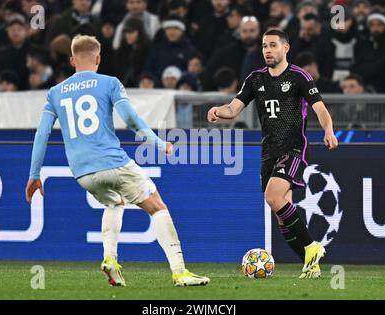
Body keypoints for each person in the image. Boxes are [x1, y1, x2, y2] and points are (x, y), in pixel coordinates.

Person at [25, 35, 210, 287]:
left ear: (71, 60)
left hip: (82, 172)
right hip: (112, 161)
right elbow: (131, 119)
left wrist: (34, 175)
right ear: (99, 58)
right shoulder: (109, 83)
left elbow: (42, 134)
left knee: (114, 202)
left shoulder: (55, 93)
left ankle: (109, 260)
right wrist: (158, 143)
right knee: (157, 206)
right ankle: (180, 272)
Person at [207, 29, 338, 279]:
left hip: (293, 148)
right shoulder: (255, 79)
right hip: (269, 152)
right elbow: (234, 109)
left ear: (285, 48)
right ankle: (310, 265)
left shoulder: (299, 76)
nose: (267, 50)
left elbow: (320, 108)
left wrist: (329, 131)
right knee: (282, 216)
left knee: (273, 196)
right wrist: (217, 111)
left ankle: (312, 247)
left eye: (273, 45)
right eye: (264, 46)